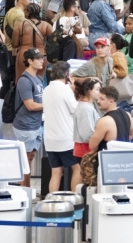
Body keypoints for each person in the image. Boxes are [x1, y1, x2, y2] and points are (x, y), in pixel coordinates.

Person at [42, 61, 81, 192]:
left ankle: (52, 200)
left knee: (56, 172)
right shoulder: (65, 90)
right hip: (65, 138)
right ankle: (75, 199)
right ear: (66, 74)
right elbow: (76, 110)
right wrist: (74, 90)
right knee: (77, 169)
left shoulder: (46, 89)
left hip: (50, 138)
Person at [13, 47, 45, 187]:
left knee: (30, 157)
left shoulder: (38, 78)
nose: (42, 60)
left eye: (41, 57)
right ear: (30, 61)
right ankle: (25, 190)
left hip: (36, 124)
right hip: (25, 125)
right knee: (25, 159)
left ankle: (27, 189)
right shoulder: (25, 80)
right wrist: (49, 104)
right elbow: (30, 105)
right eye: (38, 58)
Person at [11, 3, 53, 82]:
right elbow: (53, 43)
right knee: (38, 81)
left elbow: (14, 44)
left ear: (28, 12)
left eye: (25, 11)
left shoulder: (20, 25)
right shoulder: (46, 26)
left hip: (24, 55)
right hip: (41, 55)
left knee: (21, 80)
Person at [89, 85, 133, 151]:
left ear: (111, 101)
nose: (98, 101)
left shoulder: (104, 121)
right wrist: (122, 146)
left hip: (107, 158)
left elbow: (92, 145)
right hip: (125, 156)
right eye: (98, 98)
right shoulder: (127, 114)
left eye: (102, 99)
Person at [73, 78, 101, 159]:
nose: (99, 92)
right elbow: (87, 134)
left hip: (86, 148)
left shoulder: (87, 106)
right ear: (89, 91)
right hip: (85, 150)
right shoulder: (85, 108)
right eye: (97, 89)